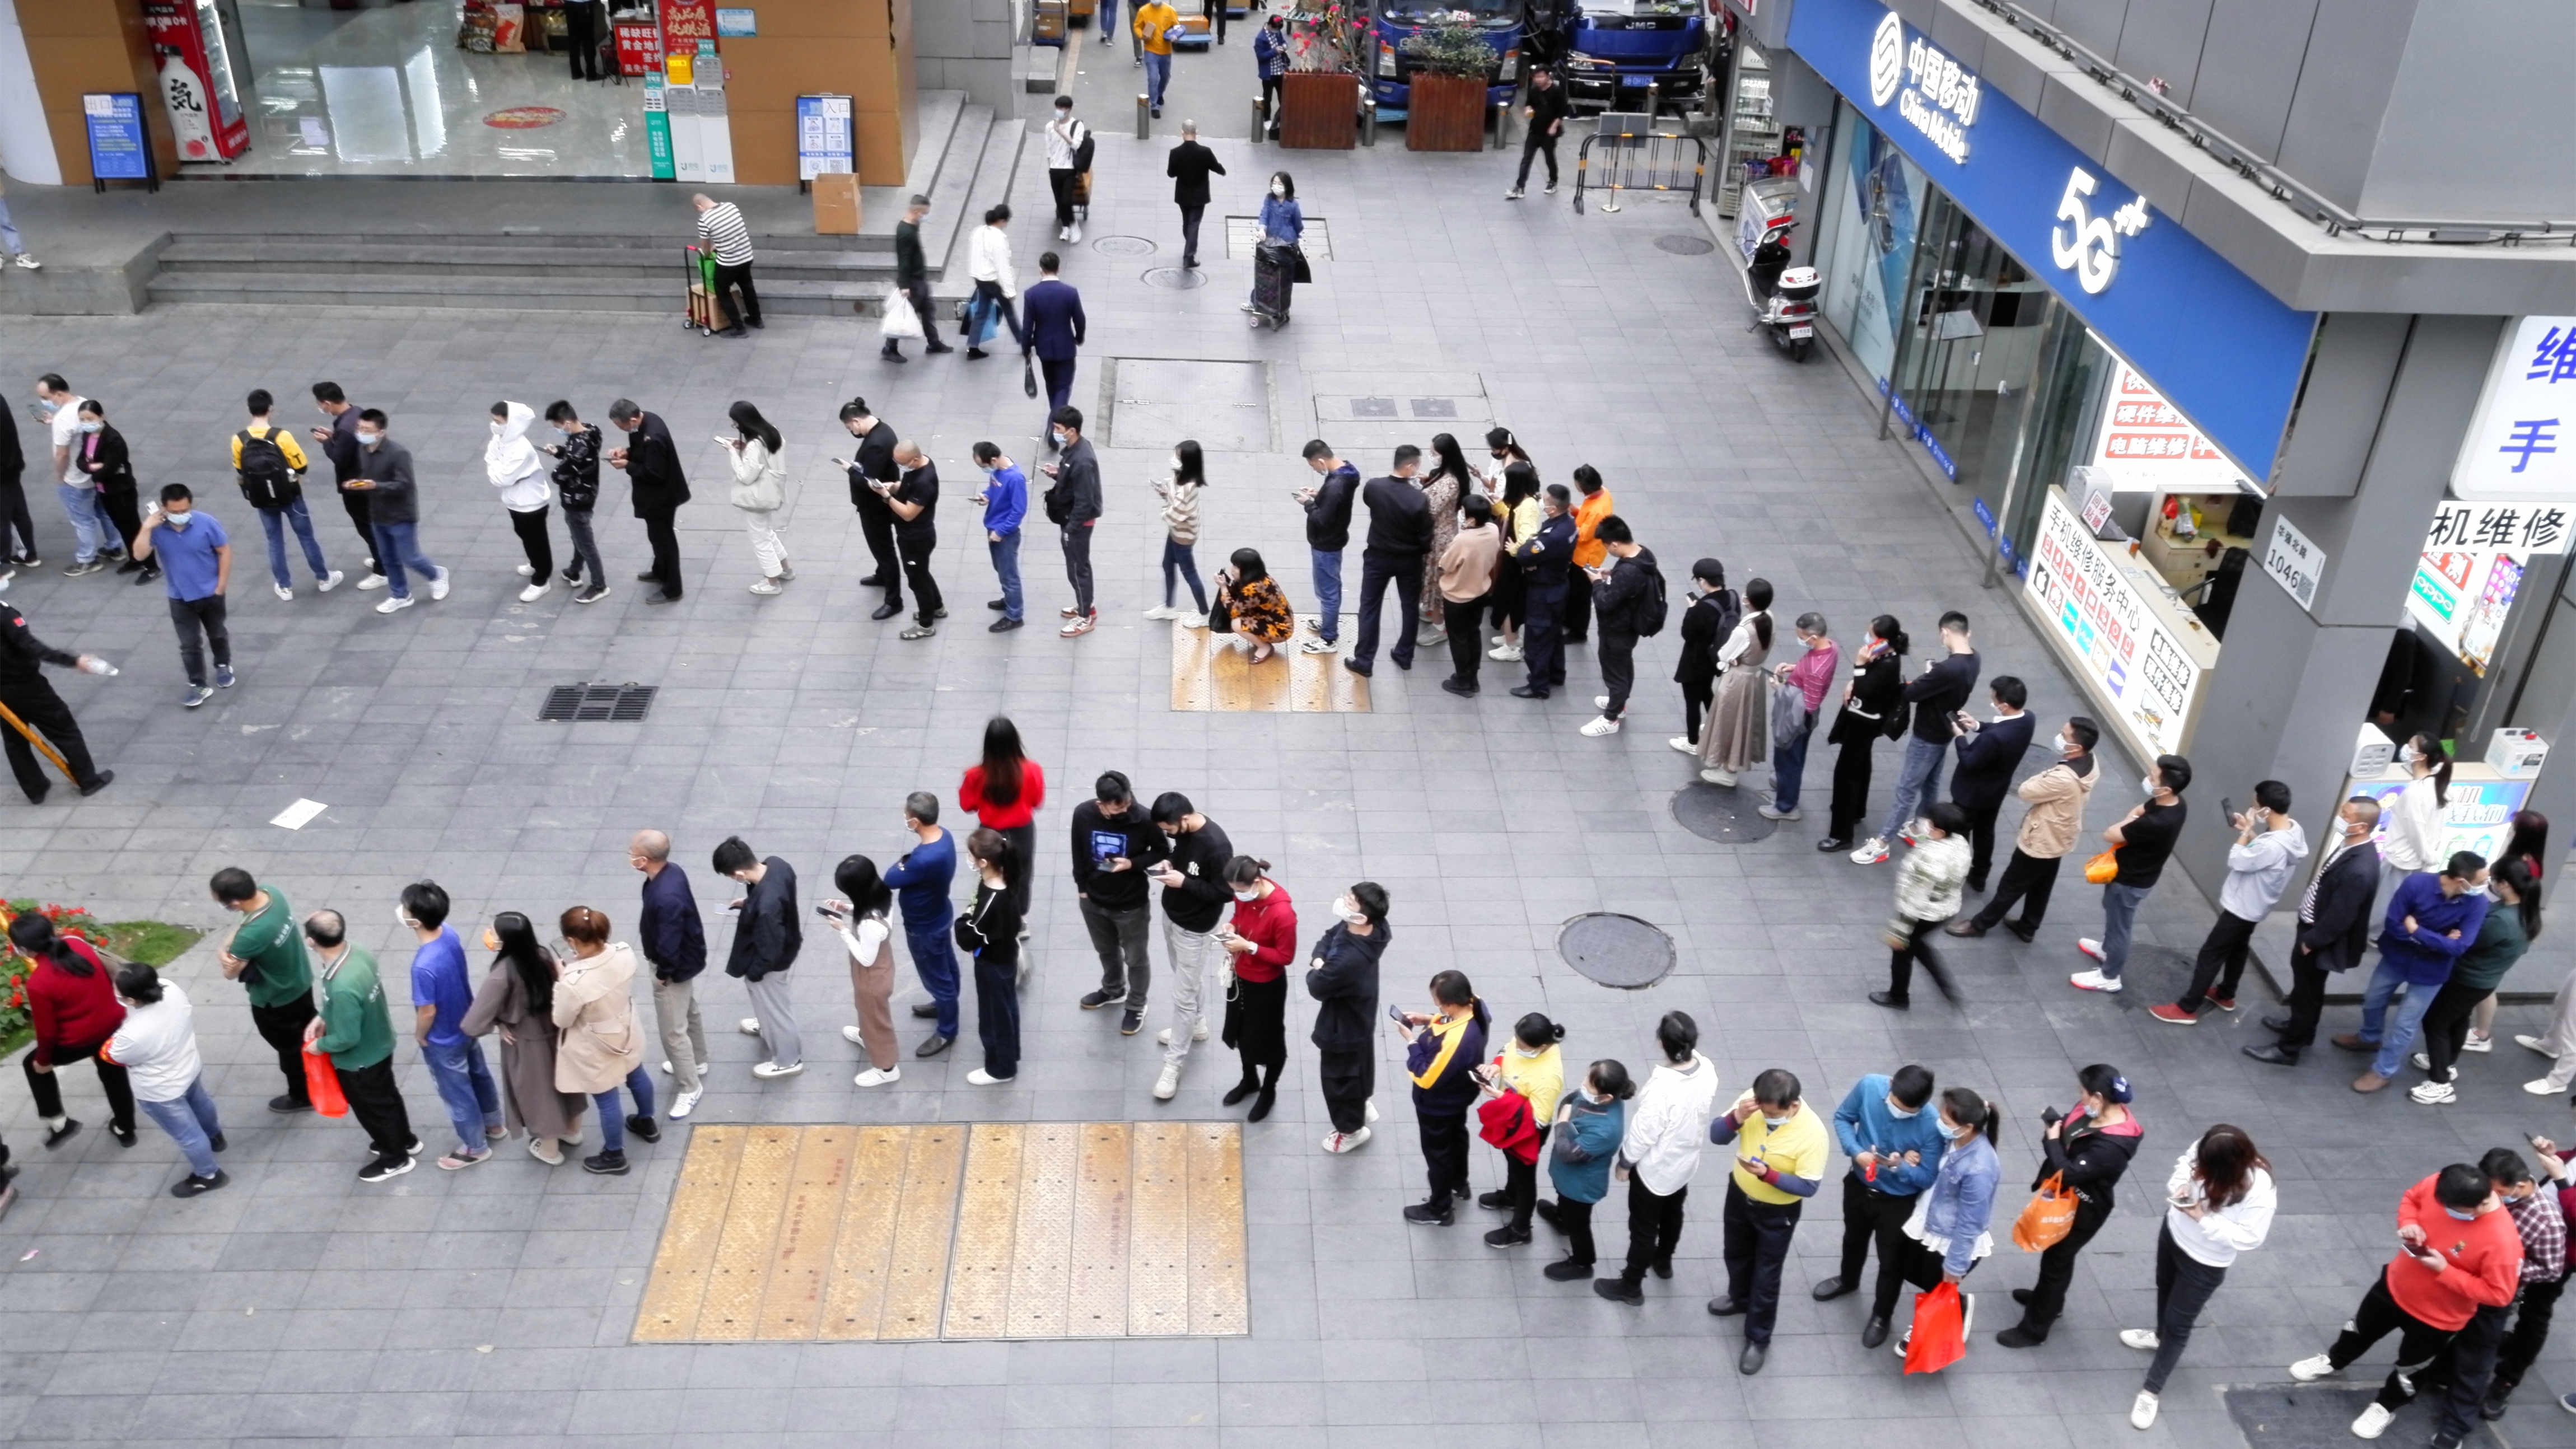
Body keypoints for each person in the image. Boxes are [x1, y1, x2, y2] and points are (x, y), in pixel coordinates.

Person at [2289, 1163, 2522, 1443]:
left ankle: (2385, 1407)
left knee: (2411, 1369)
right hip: (2394, 1285)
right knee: (2358, 1330)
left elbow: (2499, 1295)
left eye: (2455, 1211)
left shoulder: (2503, 1241)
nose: (2446, 1212)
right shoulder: (2442, 1183)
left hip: (2438, 1318)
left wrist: (2444, 1270)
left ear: (2479, 1205)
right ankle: (2334, 1361)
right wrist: (2409, 1222)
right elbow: (2412, 1198)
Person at [2123, 1125, 2278, 1429]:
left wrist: (2203, 1219)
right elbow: (2186, 1162)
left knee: (2179, 1324)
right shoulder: (2210, 1147)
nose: (2200, 1174)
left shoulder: (2260, 1191)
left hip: (2205, 1262)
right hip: (2173, 1234)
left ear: (2226, 1169)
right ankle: (2158, 1337)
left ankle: (2151, 1390)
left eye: (2207, 1170)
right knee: (2164, 1288)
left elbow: (2250, 1238)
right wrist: (2180, 1185)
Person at [1995, 1064, 2145, 1347]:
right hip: (2066, 1197)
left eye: (2083, 1092)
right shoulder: (2094, 1111)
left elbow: (2069, 1173)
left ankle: (2035, 1329)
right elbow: (2070, 1130)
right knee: (2058, 1258)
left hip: (2082, 1209)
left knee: (2056, 1262)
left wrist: (2052, 1141)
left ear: (2098, 1098)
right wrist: (2057, 1130)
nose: (2080, 1097)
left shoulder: (2113, 1146)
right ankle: (2049, 1302)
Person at [2412, 1150, 2556, 1444]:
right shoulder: (2483, 1198)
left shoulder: (2546, 1221)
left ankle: (2456, 1426)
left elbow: (2551, 1269)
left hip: (2492, 1294)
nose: (2485, 1202)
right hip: (2459, 1280)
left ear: (2518, 1185)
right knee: (2452, 1337)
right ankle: (2439, 1375)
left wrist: (2506, 1270)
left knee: (2476, 1359)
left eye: (2496, 1193)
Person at [2153, 779, 2311, 1023]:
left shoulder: (2272, 846)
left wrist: (2245, 834)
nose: (2252, 809)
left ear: (2266, 810)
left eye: (2255, 806)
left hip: (2242, 907)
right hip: (2258, 904)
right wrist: (2249, 832)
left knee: (2211, 953)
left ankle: (2187, 1008)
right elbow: (2262, 856)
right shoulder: (2293, 832)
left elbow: (2238, 860)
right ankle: (2226, 994)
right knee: (2238, 948)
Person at [2244, 797, 2385, 1065]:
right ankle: (2302, 1030)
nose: (2340, 817)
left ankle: (2288, 1049)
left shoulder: (2360, 868)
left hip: (2316, 937)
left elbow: (2342, 915)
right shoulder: (2351, 846)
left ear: (2361, 827)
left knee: (2307, 992)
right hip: (2312, 928)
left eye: (2346, 814)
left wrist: (2312, 941)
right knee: (2308, 988)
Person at [1708, 1068, 1828, 1373]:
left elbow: (1808, 1186)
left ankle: (1758, 1337)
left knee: (1767, 1275)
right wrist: (1737, 1117)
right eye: (1763, 1111)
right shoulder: (1751, 1102)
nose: (1767, 1117)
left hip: (1777, 1214)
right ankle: (1739, 1299)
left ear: (1793, 1106)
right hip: (1740, 1196)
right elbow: (1717, 1137)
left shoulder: (1813, 1134)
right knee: (1735, 1253)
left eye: (1773, 1114)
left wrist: (1769, 1175)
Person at [2341, 850, 2491, 1092]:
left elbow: (2460, 946)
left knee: (2405, 1024)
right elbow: (2393, 924)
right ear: (2461, 881)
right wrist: (2440, 940)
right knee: (2372, 1000)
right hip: (2397, 958)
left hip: (2431, 971)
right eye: (2481, 881)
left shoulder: (2478, 903)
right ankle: (2369, 1037)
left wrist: (2417, 931)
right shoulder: (2417, 884)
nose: (2485, 886)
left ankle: (2383, 1071)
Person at [1595, 1011, 1719, 1305]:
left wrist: (1625, 1163)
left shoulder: (1663, 1088)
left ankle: (1631, 1286)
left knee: (1643, 1229)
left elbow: (1643, 1134)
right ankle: (1663, 1261)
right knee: (1673, 1213)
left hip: (1654, 1172)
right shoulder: (1707, 1069)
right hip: (1685, 1164)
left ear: (1662, 1043)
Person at [1870, 1087, 2003, 1362]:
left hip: (1948, 1236)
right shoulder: (1953, 1140)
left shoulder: (1980, 1167)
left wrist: (1956, 1265)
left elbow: (1971, 1222)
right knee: (1914, 1271)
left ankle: (1934, 1322)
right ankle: (1958, 1303)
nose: (1939, 1122)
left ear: (1967, 1127)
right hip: (1928, 1218)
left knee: (1937, 1283)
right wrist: (1912, 1156)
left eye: (1946, 1120)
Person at [1948, 717, 2099, 941]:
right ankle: (2028, 926)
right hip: (2061, 835)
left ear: (2077, 747)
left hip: (2042, 838)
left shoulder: (2063, 778)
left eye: (2064, 735)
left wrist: (2045, 775)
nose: (2060, 737)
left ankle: (1980, 924)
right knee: (2042, 884)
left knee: (2011, 884)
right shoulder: (2090, 762)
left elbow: (2026, 791)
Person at [301, 909, 419, 1181]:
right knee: (387, 1098)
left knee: (373, 1110)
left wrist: (320, 1045)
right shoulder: (357, 953)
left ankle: (395, 1159)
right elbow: (350, 1003)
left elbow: (346, 1038)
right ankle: (405, 1139)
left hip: (360, 1061)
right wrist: (325, 1015)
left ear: (311, 942)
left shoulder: (341, 985)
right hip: (380, 1041)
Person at [1851, 611, 1978, 864]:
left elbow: (1912, 694)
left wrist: (1928, 677)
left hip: (1927, 733)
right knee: (1930, 783)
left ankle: (1882, 842)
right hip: (1945, 730)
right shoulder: (1974, 659)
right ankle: (1921, 826)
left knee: (1906, 789)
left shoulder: (1947, 669)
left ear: (1945, 632)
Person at [1816, 1064, 1945, 1306]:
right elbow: (1843, 1117)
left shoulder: (1931, 1125)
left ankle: (1882, 1314)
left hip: (1898, 1202)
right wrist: (1856, 1152)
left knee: (1891, 1260)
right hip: (1859, 1184)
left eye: (1907, 1112)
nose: (1898, 1112)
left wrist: (1900, 1166)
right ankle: (1848, 1280)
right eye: (1895, 1104)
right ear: (1891, 1084)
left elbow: (1927, 1177)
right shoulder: (1869, 1086)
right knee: (1853, 1238)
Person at [461, 912, 584, 1166]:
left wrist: (499, 1023)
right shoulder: (542, 955)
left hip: (526, 1042)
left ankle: (549, 1150)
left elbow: (473, 1023)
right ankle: (572, 1131)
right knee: (565, 1083)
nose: (489, 934)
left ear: (506, 941)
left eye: (493, 932)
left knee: (539, 1094)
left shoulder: (502, 974)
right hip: (556, 1031)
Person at [398, 882, 503, 1171]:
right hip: (467, 1021)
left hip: (443, 1038)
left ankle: (474, 1147)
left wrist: (420, 1035)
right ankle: (494, 1124)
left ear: (416, 921)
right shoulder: (449, 933)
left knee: (457, 1093)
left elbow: (427, 1011)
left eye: (405, 908)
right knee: (479, 1074)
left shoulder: (422, 966)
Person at [2412, 862, 2539, 1102]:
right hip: (2483, 981)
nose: (2488, 884)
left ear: (2505, 884)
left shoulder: (2502, 920)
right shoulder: (2522, 911)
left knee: (2435, 1022)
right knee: (2458, 1019)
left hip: (2468, 979)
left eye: (2492, 880)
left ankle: (2440, 1083)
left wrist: (2450, 936)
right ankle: (2446, 1062)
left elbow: (2467, 942)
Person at [8, 912, 134, 1148]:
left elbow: (47, 1033)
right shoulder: (77, 944)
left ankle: (59, 1123)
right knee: (114, 1076)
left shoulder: (39, 983)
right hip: (113, 1025)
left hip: (80, 1041)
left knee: (32, 1065)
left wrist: (43, 1061)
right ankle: (126, 1129)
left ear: (24, 949)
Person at [2069, 754, 2192, 993]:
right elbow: (2138, 810)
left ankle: (2110, 976)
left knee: (2120, 927)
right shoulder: (2176, 803)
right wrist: (2130, 821)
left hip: (2130, 881)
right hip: (2133, 873)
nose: (2148, 778)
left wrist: (2126, 822)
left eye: (2153, 777)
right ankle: (2107, 949)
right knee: (2113, 915)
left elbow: (2110, 834)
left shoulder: (2156, 823)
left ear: (2166, 788)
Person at [103, 964, 226, 1196]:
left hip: (161, 1090)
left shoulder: (133, 1034)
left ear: (130, 1000)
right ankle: (215, 1137)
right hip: (189, 1067)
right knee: (201, 1104)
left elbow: (112, 1055)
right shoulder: (171, 989)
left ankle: (208, 1175)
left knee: (188, 1136)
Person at [553, 906, 658, 1176]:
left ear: (572, 941)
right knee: (637, 1074)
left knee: (607, 1098)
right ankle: (646, 1122)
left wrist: (561, 979)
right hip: (626, 1028)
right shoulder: (625, 953)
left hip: (596, 1044)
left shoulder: (573, 982)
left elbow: (562, 1019)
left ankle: (614, 1155)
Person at [209, 867, 317, 1114]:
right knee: (309, 1028)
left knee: (289, 1049)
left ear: (235, 903)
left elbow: (230, 972)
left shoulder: (252, 935)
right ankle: (327, 1062)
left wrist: (222, 951)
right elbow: (245, 923)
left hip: (276, 999)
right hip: (300, 980)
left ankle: (302, 1096)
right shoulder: (272, 894)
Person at [1148, 791, 1234, 1100]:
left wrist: (1184, 883)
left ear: (1184, 819)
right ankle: (1196, 1025)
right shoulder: (1184, 833)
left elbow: (1225, 893)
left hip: (1195, 929)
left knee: (1183, 996)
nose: (1168, 834)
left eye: (1169, 829)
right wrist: (1170, 864)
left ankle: (1173, 1064)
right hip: (1172, 915)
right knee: (1185, 976)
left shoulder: (1217, 847)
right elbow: (1182, 858)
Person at [1074, 770, 1168, 1032]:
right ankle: (1113, 990)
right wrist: (1082, 889)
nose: (1126, 810)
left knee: (1136, 959)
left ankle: (1137, 1004)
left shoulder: (1144, 818)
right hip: (1093, 900)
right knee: (1106, 950)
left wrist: (1132, 864)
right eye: (1118, 808)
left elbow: (1162, 850)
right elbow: (1078, 851)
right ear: (1101, 804)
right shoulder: (1083, 814)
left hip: (1131, 905)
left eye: (1128, 803)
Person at [1397, 970, 1491, 1224]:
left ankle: (1440, 1209)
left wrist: (1411, 1042)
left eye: (1438, 1003)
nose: (1436, 1006)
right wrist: (1430, 1019)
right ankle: (1459, 1183)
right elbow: (1451, 1020)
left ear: (1450, 1004)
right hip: (1461, 1096)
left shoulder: (1456, 1041)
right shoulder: (1477, 1006)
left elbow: (1426, 1076)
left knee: (1437, 1154)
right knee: (1457, 1138)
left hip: (1438, 1106)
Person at [2491, 1138, 2576, 1416]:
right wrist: (2555, 1155)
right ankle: (2515, 1342)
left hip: (2561, 1250)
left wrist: (2561, 1180)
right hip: (2534, 1222)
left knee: (2536, 1311)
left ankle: (2508, 1377)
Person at [128, 485, 233, 709]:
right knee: (189, 644)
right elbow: (139, 555)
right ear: (164, 508)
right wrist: (146, 527)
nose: (180, 515)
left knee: (217, 633)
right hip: (180, 597)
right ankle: (198, 684)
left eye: (184, 510)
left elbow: (224, 551)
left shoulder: (206, 523)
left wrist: (221, 586)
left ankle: (223, 664)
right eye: (174, 512)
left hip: (210, 593)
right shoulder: (157, 529)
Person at [0, 597, 111, 802]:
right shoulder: (5, 615)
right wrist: (72, 660)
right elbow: (30, 646)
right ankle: (88, 780)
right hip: (27, 686)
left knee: (15, 740)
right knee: (64, 730)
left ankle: (35, 789)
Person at [630, 829, 708, 1118]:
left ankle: (690, 1087)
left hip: (673, 967)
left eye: (632, 853)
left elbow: (668, 941)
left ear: (644, 860)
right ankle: (697, 1060)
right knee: (689, 1010)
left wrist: (664, 974)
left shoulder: (665, 896)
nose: (630, 857)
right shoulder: (672, 872)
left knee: (672, 1032)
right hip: (688, 958)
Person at [1308, 882, 1391, 1153]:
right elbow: (1329, 936)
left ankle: (1350, 1130)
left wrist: (1318, 964)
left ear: (1361, 917)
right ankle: (1361, 1102)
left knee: (1338, 1081)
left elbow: (1317, 986)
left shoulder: (1346, 961)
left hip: (1341, 1027)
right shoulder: (1375, 929)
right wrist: (1322, 959)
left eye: (1350, 901)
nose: (1344, 901)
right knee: (1360, 1066)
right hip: (1361, 1016)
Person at [716, 834, 805, 1078]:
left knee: (776, 1009)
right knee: (769, 1003)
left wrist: (754, 973)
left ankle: (788, 1060)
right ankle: (765, 1025)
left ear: (739, 874)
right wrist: (750, 902)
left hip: (772, 963)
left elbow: (769, 950)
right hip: (789, 943)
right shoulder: (777, 865)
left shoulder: (766, 906)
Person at [219, 391, 321, 598]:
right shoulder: (282, 436)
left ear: (249, 410)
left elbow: (240, 468)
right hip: (290, 495)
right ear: (271, 409)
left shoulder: (239, 439)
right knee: (306, 537)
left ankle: (284, 586)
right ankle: (324, 577)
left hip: (262, 498)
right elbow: (301, 466)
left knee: (275, 541)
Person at [1538, 1059, 1632, 1280]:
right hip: (1568, 1178)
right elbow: (1572, 1100)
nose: (1583, 1086)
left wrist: (1562, 1123)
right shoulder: (1603, 1097)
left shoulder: (1606, 1131)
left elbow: (1568, 1153)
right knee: (1565, 1203)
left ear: (1606, 1097)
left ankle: (1583, 1262)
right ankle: (1562, 1219)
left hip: (1580, 1186)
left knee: (1579, 1223)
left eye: (1589, 1085)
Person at [1219, 856, 1297, 1120]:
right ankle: (1249, 1079)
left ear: (1256, 882)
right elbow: (1239, 916)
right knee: (1241, 1031)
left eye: (1240, 890)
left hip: (1266, 986)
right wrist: (1232, 926)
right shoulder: (1244, 896)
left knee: (1269, 1040)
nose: (1237, 895)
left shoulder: (1282, 914)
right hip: (1240, 975)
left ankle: (1269, 1089)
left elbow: (1285, 956)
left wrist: (1249, 947)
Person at [1819, 614, 1905, 852]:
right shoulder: (1886, 657)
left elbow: (1866, 688)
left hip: (1863, 723)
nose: (1867, 638)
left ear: (1883, 640)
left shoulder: (1887, 664)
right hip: (1868, 722)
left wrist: (1858, 666)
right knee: (1862, 765)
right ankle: (1856, 810)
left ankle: (1841, 835)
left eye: (1872, 635)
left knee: (1846, 776)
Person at [885, 794, 962, 1056]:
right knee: (946, 964)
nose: (905, 819)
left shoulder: (922, 859)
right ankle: (945, 1003)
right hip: (939, 914)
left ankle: (947, 1030)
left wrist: (903, 863)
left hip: (924, 927)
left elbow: (891, 878)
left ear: (916, 821)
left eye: (907, 815)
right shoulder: (945, 837)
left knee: (937, 977)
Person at [349, 408, 446, 614]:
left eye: (367, 430)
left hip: (400, 515)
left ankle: (436, 575)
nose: (361, 433)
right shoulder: (363, 450)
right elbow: (369, 476)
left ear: (381, 432)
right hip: (377, 513)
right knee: (387, 557)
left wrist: (375, 486)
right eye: (359, 428)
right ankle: (400, 595)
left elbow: (404, 484)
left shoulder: (398, 453)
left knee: (410, 557)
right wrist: (360, 483)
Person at [1874, 801, 1971, 1008]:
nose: (1924, 823)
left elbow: (1915, 897)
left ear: (1939, 831)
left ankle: (1898, 997)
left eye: (1930, 822)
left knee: (1903, 950)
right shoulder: (1960, 843)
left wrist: (1900, 929)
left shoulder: (1929, 859)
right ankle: (1946, 987)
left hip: (1922, 913)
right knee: (1917, 945)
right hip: (1946, 908)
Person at [1348, 446, 1432, 679]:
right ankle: (1404, 655)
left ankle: (1364, 660)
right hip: (1409, 560)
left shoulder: (1374, 487)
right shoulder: (1419, 499)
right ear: (1411, 467)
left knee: (1370, 606)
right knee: (1409, 607)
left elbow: (1370, 504)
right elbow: (1426, 538)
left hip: (1378, 556)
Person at [1945, 676, 2034, 889]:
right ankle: (1980, 876)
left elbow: (1969, 761)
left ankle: (1956, 873)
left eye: (1994, 699)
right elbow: (2000, 728)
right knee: (1985, 832)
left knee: (1961, 835)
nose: (1992, 702)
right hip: (1995, 791)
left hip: (1970, 794)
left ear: (2004, 706)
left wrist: (1960, 736)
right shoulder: (2028, 719)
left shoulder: (1994, 739)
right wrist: (1977, 725)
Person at [960, 716, 1044, 933]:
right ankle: (1019, 918)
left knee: (990, 873)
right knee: (1022, 875)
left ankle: (991, 914)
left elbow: (967, 805)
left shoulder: (974, 775)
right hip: (1022, 832)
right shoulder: (1032, 770)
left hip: (989, 833)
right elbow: (1037, 801)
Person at [955, 829, 1026, 1085]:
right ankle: (1009, 1054)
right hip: (1005, 956)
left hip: (992, 962)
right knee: (1006, 1008)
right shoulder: (1006, 877)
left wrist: (964, 918)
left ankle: (1000, 1069)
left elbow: (967, 935)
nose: (968, 858)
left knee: (994, 1015)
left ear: (984, 862)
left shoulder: (993, 898)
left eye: (971, 855)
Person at [824, 854, 902, 1087]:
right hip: (881, 965)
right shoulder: (882, 894)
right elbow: (866, 911)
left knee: (876, 1020)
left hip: (871, 976)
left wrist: (843, 930)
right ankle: (866, 1035)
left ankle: (887, 1068)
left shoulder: (870, 925)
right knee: (867, 1012)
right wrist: (847, 909)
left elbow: (866, 959)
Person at [1579, 517, 1658, 737]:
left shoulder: (1628, 572)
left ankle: (1611, 718)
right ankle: (1619, 702)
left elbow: (1605, 603)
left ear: (1615, 544)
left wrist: (1597, 582)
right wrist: (1611, 576)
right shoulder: (1643, 554)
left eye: (1606, 546)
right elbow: (1625, 587)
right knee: (1624, 665)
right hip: (1631, 625)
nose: (1607, 550)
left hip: (1617, 628)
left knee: (1615, 674)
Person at [605, 399, 689, 605]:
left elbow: (654, 473)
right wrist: (627, 452)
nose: (622, 429)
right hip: (657, 496)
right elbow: (641, 450)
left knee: (664, 541)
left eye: (621, 426)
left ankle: (673, 588)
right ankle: (660, 570)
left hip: (662, 498)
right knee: (656, 536)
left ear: (632, 420)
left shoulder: (654, 438)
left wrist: (627, 465)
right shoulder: (646, 420)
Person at [35, 375, 115, 576]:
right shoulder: (83, 404)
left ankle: (87, 559)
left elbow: (62, 454)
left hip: (75, 478)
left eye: (45, 397)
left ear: (58, 394)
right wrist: (53, 421)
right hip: (94, 473)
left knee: (82, 521)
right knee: (104, 512)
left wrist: (60, 476)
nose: (44, 402)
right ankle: (114, 546)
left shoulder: (62, 419)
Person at [1697, 578, 1774, 783]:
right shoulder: (1769, 619)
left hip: (1737, 681)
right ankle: (1731, 765)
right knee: (1744, 723)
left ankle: (1727, 770)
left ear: (1747, 600)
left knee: (1729, 722)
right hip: (1754, 678)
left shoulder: (1744, 630)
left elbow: (1723, 654)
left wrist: (1733, 658)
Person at [309, 381, 381, 587]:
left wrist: (326, 442)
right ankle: (383, 558)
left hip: (356, 485)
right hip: (370, 475)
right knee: (372, 523)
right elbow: (351, 442)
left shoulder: (345, 429)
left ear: (327, 403)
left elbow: (339, 458)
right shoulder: (357, 413)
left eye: (320, 404)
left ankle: (383, 569)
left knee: (366, 526)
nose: (320, 407)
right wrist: (334, 437)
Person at [1509, 484, 1578, 700]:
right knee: (1554, 635)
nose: (1542, 503)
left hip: (1544, 592)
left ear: (1554, 508)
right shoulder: (1569, 524)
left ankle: (1538, 686)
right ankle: (1556, 674)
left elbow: (1524, 555)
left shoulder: (1552, 536)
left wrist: (1530, 553)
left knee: (1536, 639)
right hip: (1559, 586)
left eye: (1545, 501)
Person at [483, 401, 556, 601]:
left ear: (512, 423)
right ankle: (535, 563)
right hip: (514, 499)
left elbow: (501, 479)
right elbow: (491, 458)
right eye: (494, 420)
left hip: (530, 503)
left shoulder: (521, 450)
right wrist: (496, 465)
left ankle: (542, 579)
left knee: (536, 540)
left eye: (499, 422)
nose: (494, 425)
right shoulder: (501, 439)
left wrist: (495, 465)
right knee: (523, 533)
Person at [836, 397, 904, 614]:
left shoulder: (875, 444)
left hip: (875, 507)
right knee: (882, 548)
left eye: (850, 427)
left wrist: (850, 470)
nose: (852, 431)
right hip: (879, 503)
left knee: (883, 550)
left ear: (856, 421)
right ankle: (882, 575)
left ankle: (894, 601)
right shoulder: (884, 429)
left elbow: (870, 482)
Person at [538, 401, 609, 604]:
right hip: (589, 493)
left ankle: (599, 585)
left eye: (558, 426)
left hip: (577, 500)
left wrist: (562, 460)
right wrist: (559, 451)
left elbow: (558, 475)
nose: (558, 430)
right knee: (579, 536)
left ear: (567, 423)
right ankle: (574, 571)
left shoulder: (578, 445)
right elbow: (576, 456)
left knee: (586, 544)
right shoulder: (592, 430)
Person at [1041, 405, 1104, 634]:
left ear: (1072, 431)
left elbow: (1085, 500)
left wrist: (1070, 528)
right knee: (1074, 566)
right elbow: (1075, 482)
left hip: (1077, 522)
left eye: (1058, 428)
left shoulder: (1082, 460)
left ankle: (1085, 617)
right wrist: (1058, 474)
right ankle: (1085, 605)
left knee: (1078, 568)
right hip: (1071, 518)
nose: (1055, 432)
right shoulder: (1074, 450)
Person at [1294, 440, 1360, 655]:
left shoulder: (1336, 485)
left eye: (1313, 465)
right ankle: (1328, 622)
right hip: (1335, 539)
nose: (1314, 469)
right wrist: (1318, 496)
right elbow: (1334, 505)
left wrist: (1308, 503)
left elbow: (1322, 519)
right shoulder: (1346, 473)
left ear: (1321, 461)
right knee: (1331, 585)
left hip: (1326, 544)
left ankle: (1328, 638)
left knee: (1327, 591)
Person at [1435, 489, 1502, 697]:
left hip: (1457, 597)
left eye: (1463, 511)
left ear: (1471, 519)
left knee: (1458, 638)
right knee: (1474, 633)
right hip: (1480, 591)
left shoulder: (1463, 540)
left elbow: (1446, 565)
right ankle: (1473, 676)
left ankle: (1462, 680)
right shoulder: (1493, 530)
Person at [722, 401, 792, 596]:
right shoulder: (772, 432)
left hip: (758, 498)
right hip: (773, 491)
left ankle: (772, 582)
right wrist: (745, 448)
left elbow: (746, 476)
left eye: (735, 423)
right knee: (766, 531)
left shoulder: (755, 445)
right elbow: (765, 457)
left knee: (760, 539)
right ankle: (785, 569)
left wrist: (733, 453)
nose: (735, 426)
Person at [76, 400, 150, 583]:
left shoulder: (113, 439)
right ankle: (135, 558)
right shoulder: (88, 436)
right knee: (121, 525)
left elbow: (109, 468)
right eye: (82, 420)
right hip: (105, 490)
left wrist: (93, 471)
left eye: (90, 419)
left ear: (101, 416)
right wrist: (93, 467)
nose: (86, 423)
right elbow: (81, 461)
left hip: (121, 490)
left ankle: (149, 563)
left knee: (132, 527)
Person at [1417, 434, 1477, 648]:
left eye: (1434, 453)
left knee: (1436, 581)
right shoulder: (1450, 474)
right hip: (1441, 534)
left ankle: (1439, 626)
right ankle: (1431, 612)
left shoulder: (1449, 483)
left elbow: (1431, 510)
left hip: (1439, 541)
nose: (1431, 456)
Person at [1023, 254, 1088, 443]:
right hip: (1066, 347)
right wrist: (1079, 338)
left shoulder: (1031, 294)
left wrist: (1026, 348)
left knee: (1052, 387)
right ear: (1059, 269)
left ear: (1040, 269)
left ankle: (1055, 421)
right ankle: (1055, 426)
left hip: (1044, 349)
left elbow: (1027, 326)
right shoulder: (1070, 293)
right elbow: (1080, 319)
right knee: (1063, 388)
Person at [1668, 559, 1730, 752]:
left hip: (1696, 661)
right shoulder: (1731, 598)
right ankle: (1717, 727)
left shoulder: (1701, 608)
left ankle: (1693, 742)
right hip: (1715, 659)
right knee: (1706, 691)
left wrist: (1692, 610)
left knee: (1692, 702)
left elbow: (1687, 633)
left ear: (1702, 580)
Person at [2381, 731, 2449, 904]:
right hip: (2415, 861)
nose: (2406, 748)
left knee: (2386, 905)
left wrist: (2428, 857)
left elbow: (2415, 830)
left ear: (2421, 757)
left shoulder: (2415, 792)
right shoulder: (2436, 783)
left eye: (2410, 746)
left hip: (2402, 862)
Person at [885, 441, 944, 639]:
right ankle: (937, 607)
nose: (900, 467)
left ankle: (926, 625)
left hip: (915, 539)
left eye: (903, 463)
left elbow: (909, 514)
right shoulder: (921, 466)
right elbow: (908, 487)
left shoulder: (924, 482)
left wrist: (887, 497)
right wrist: (895, 487)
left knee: (917, 581)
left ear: (916, 459)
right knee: (922, 573)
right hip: (918, 536)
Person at [1146, 440, 1210, 623]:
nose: (1174, 458)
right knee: (1167, 565)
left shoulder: (1189, 488)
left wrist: (1165, 510)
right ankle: (1168, 607)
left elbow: (1175, 514)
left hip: (1183, 537)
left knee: (1190, 574)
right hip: (1176, 532)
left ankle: (1204, 614)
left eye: (1178, 456)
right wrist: (1165, 493)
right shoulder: (1180, 475)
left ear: (1187, 462)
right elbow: (1174, 497)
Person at [885, 194, 952, 362]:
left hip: (920, 279)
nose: (925, 217)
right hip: (913, 282)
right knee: (903, 316)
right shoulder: (906, 232)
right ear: (916, 211)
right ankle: (889, 348)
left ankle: (934, 343)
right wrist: (904, 286)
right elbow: (904, 260)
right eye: (924, 213)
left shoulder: (913, 225)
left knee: (929, 310)